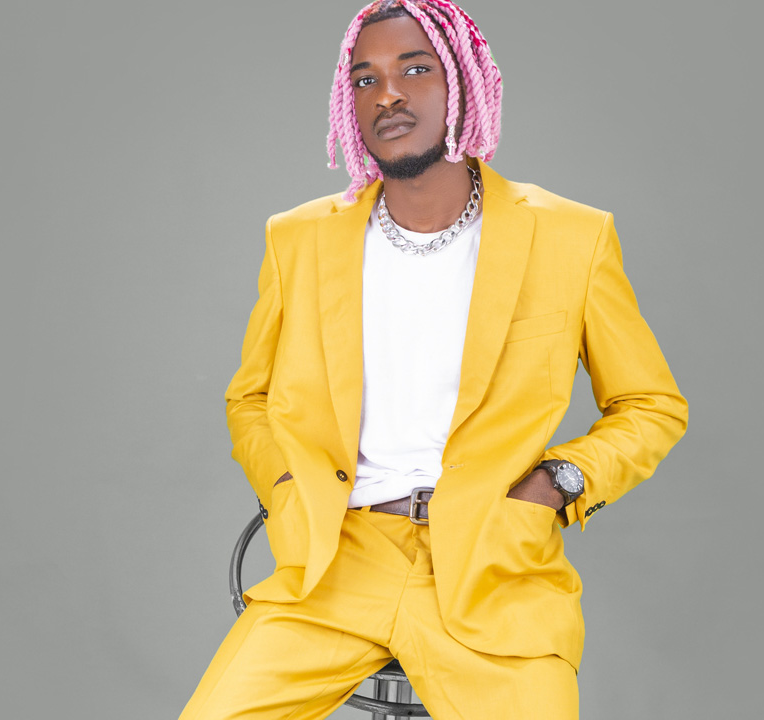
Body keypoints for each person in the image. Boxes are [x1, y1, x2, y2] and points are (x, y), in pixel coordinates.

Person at [179, 1, 688, 718]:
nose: (387, 94)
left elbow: (650, 405)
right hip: (336, 564)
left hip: (493, 567)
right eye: (365, 79)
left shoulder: (572, 237)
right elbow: (251, 398)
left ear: (463, 83)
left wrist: (558, 482)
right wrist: (288, 486)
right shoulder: (299, 239)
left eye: (415, 69)